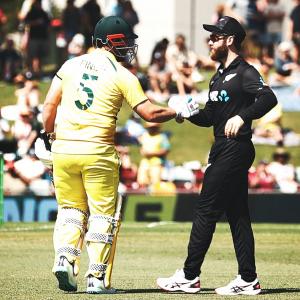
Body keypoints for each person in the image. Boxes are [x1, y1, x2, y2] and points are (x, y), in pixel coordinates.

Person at [40, 16, 199, 294]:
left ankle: (65, 258)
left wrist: (50, 136)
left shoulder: (69, 65)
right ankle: (96, 279)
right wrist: (178, 110)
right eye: (125, 41)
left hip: (63, 149)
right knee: (104, 215)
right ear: (111, 42)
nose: (129, 47)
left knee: (70, 210)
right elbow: (149, 113)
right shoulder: (122, 74)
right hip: (98, 151)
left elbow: (49, 106)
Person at [157, 16, 277, 296]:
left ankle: (189, 276)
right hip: (223, 147)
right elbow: (211, 116)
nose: (209, 41)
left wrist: (243, 116)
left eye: (215, 37)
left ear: (230, 40)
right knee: (237, 214)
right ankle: (248, 279)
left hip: (236, 148)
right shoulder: (217, 77)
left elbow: (268, 98)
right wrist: (187, 113)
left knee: (205, 209)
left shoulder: (245, 71)